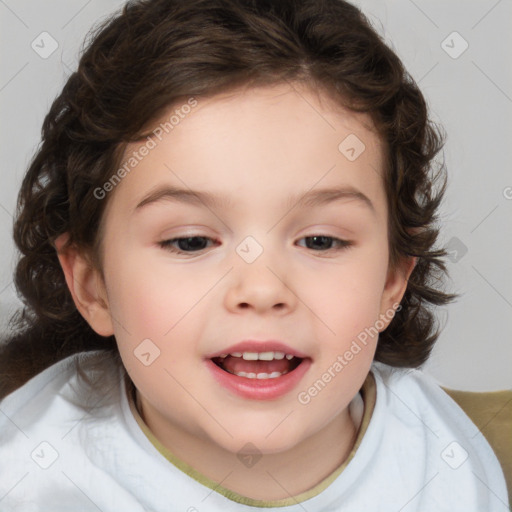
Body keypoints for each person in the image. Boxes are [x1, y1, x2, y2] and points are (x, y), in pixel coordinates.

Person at [0, 0, 508, 510]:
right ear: (93, 285)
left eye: (320, 241)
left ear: (391, 284)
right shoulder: (28, 474)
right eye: (191, 241)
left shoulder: (458, 464)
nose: (262, 289)